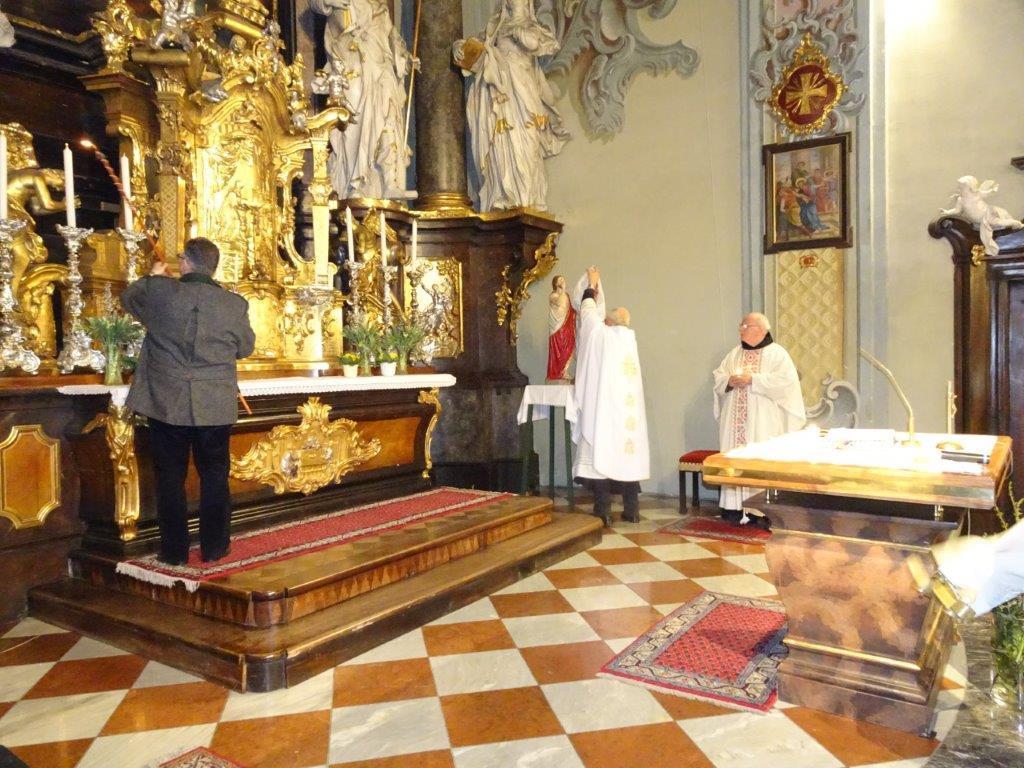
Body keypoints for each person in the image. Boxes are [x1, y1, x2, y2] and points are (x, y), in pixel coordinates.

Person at [122, 238, 256, 565]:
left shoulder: (159, 292)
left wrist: (153, 276)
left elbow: (129, 298)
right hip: (214, 403)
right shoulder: (234, 304)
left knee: (170, 477)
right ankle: (215, 547)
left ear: (184, 263)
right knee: (215, 476)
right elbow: (245, 348)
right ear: (214, 267)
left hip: (166, 402)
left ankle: (174, 551)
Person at [454, 0, 570, 211]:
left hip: (522, 89)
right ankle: (502, 194)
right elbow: (476, 51)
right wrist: (459, 49)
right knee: (501, 140)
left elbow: (533, 44)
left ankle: (526, 196)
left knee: (526, 139)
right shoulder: (495, 28)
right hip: (498, 92)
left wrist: (517, 30)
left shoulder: (531, 28)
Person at [311, 0, 413, 200]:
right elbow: (316, 4)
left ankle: (389, 182)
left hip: (381, 67)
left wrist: (403, 58)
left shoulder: (381, 8)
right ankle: (355, 181)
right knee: (355, 121)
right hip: (353, 64)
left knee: (389, 117)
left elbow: (392, 41)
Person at [572, 266, 649, 526]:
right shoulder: (629, 339)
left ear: (608, 322)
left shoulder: (602, 335)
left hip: (605, 413)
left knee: (602, 456)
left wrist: (591, 285)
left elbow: (587, 313)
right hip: (627, 417)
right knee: (627, 456)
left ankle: (603, 510)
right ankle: (632, 510)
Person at [712, 313, 805, 528]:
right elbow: (719, 376)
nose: (741, 329)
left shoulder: (777, 354)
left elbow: (786, 382)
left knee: (760, 459)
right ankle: (733, 508)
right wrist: (729, 381)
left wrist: (753, 379)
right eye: (741, 325)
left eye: (746, 325)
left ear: (762, 330)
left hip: (764, 420)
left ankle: (762, 510)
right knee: (734, 458)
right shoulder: (734, 354)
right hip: (735, 421)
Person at [546, 275, 575, 382]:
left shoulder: (566, 295)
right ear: (555, 283)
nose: (562, 281)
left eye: (563, 279)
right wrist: (562, 291)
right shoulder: (553, 295)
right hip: (556, 327)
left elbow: (570, 309)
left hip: (566, 325)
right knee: (558, 349)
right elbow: (559, 302)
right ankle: (556, 372)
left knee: (566, 348)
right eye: (560, 280)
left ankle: (564, 371)